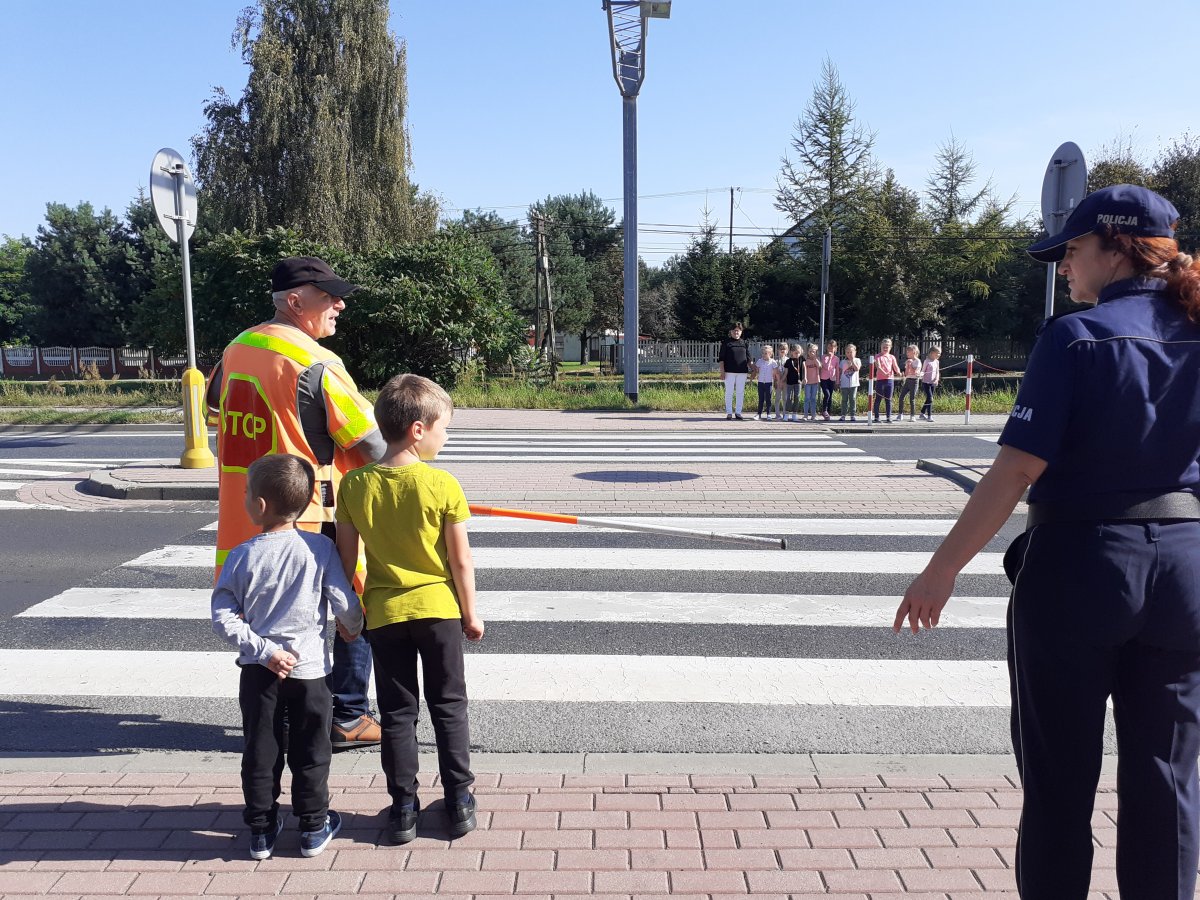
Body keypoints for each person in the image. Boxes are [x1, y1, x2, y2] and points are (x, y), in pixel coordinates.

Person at [893, 184, 1200, 899]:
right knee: (1169, 782)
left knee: (1060, 781)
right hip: (1185, 569)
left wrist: (940, 572)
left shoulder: (1074, 338)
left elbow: (1015, 471)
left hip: (1081, 568)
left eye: (1070, 250)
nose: (1064, 267)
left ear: (1115, 248)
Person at [206, 256, 387, 751]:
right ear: (295, 301)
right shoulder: (314, 363)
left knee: (275, 614)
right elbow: (372, 443)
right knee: (352, 606)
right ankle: (348, 715)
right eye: (329, 297)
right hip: (311, 516)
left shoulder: (235, 350)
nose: (340, 305)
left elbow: (219, 425)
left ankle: (282, 718)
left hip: (248, 516)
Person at [334, 374, 485, 845]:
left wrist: (349, 614)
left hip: (384, 615)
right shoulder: (442, 484)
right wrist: (470, 612)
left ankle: (402, 808)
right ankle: (459, 801)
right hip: (438, 611)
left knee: (398, 713)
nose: (446, 437)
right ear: (418, 429)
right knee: (449, 706)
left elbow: (344, 561)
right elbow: (459, 558)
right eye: (444, 428)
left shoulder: (355, 486)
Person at [211, 454, 364, 861]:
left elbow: (222, 615)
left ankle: (261, 829)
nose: (244, 497)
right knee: (312, 750)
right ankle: (313, 825)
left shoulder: (242, 555)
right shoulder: (319, 550)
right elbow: (341, 600)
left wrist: (264, 650)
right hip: (312, 672)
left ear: (259, 506)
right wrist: (353, 624)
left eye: (246, 492)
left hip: (260, 672)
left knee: (261, 749)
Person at [717, 324, 750, 421]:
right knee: (729, 392)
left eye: (738, 331)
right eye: (734, 330)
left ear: (741, 332)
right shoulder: (726, 343)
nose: (736, 332)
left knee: (740, 392)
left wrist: (754, 368)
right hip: (729, 372)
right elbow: (721, 359)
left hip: (742, 372)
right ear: (731, 331)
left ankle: (738, 413)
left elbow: (748, 358)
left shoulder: (744, 343)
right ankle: (729, 413)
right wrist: (722, 371)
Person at [872, 338, 900, 423]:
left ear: (890, 347)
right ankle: (876, 417)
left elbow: (895, 366)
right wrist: (884, 373)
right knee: (878, 398)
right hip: (880, 380)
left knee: (888, 399)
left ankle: (888, 417)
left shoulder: (892, 357)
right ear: (881, 346)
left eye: (887, 346)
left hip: (889, 380)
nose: (885, 348)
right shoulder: (877, 356)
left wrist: (898, 372)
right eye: (884, 346)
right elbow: (878, 367)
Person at [895, 344, 922, 422]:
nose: (907, 353)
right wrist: (905, 372)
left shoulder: (917, 361)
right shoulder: (908, 361)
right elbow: (907, 373)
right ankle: (900, 414)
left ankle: (912, 415)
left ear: (914, 352)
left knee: (912, 399)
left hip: (914, 381)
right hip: (908, 380)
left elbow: (915, 372)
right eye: (907, 352)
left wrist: (910, 364)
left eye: (908, 351)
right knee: (901, 397)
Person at [752, 344, 777, 421]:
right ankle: (759, 414)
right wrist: (753, 375)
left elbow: (776, 372)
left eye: (765, 353)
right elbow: (756, 370)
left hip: (769, 383)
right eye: (762, 353)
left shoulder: (773, 362)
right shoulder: (759, 361)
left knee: (768, 399)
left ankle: (768, 414)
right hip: (760, 382)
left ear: (770, 354)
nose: (764, 355)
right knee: (761, 398)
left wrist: (776, 381)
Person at [818, 340, 840, 421]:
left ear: (835, 348)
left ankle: (828, 412)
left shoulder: (837, 358)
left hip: (832, 379)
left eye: (832, 348)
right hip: (824, 378)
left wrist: (837, 381)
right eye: (829, 348)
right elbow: (826, 367)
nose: (830, 349)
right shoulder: (824, 357)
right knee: (826, 394)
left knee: (830, 396)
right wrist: (830, 358)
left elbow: (837, 370)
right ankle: (824, 410)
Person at [839, 344, 860, 422]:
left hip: (854, 384)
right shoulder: (842, 361)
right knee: (844, 400)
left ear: (855, 352)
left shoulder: (857, 360)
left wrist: (852, 360)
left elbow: (857, 369)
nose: (849, 354)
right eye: (847, 352)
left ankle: (852, 415)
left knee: (853, 399)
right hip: (844, 384)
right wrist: (838, 381)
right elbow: (840, 371)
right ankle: (843, 415)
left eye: (851, 352)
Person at [919, 347, 940, 421]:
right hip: (926, 383)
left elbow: (937, 372)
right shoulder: (926, 361)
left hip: (933, 383)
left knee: (928, 399)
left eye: (939, 353)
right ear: (932, 353)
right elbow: (923, 371)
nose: (939, 354)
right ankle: (929, 416)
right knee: (930, 399)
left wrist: (937, 379)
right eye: (937, 353)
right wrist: (920, 375)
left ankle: (922, 413)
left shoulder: (937, 362)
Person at [783, 345, 802, 422]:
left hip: (798, 382)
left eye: (798, 352)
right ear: (791, 352)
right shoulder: (788, 361)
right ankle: (786, 414)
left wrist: (805, 378)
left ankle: (794, 414)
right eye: (795, 352)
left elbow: (804, 369)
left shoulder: (802, 360)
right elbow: (786, 372)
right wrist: (781, 379)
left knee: (797, 397)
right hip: (789, 382)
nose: (797, 354)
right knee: (789, 398)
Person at [802, 344, 821, 421]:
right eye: (810, 351)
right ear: (807, 352)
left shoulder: (817, 359)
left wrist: (815, 358)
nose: (812, 353)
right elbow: (804, 370)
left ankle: (813, 415)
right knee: (807, 398)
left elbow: (819, 366)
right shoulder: (805, 360)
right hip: (807, 382)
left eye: (813, 351)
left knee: (813, 398)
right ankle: (805, 415)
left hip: (815, 381)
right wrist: (805, 378)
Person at [772, 342, 790, 420]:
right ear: (778, 350)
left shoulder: (789, 360)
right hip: (778, 381)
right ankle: (777, 414)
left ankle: (784, 414)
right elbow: (774, 372)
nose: (782, 350)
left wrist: (784, 379)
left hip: (786, 382)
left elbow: (789, 372)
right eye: (781, 349)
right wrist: (776, 381)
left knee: (785, 398)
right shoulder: (775, 360)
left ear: (787, 350)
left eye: (784, 349)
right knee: (777, 398)